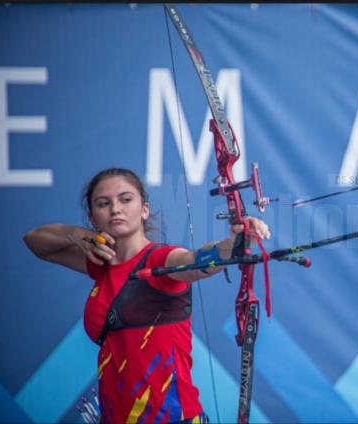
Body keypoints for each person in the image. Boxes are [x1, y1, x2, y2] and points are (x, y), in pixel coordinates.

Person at [23, 167, 270, 424]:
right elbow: (35, 241)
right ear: (93, 217)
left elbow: (196, 261)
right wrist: (77, 235)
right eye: (103, 203)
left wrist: (234, 243)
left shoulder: (161, 260)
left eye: (125, 199)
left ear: (144, 209)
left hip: (172, 418)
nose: (115, 209)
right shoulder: (100, 264)